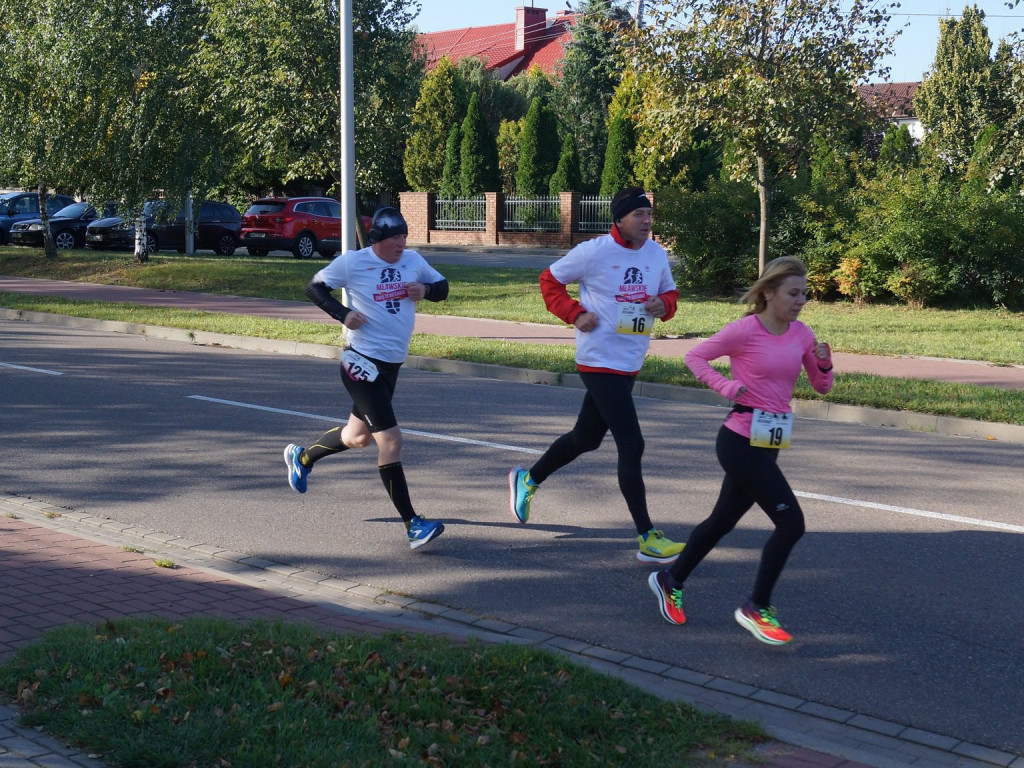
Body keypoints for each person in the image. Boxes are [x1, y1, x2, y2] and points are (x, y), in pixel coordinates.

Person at [648, 256, 833, 644]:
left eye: (804, 294)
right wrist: (726, 387)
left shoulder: (801, 334)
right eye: (793, 293)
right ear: (768, 292)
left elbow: (821, 388)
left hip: (770, 440)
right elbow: (694, 357)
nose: (801, 301)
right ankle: (757, 607)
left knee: (721, 521)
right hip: (739, 439)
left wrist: (824, 365)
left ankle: (670, 578)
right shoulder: (745, 330)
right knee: (791, 524)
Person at [507, 186, 685, 564]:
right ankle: (647, 536)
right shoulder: (594, 252)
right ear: (619, 218)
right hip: (598, 360)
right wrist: (574, 313)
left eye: (649, 214)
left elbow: (670, 294)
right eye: (640, 215)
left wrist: (662, 304)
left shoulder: (656, 254)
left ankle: (529, 479)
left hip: (630, 360)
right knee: (631, 444)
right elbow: (549, 280)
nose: (647, 220)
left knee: (586, 438)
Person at [283, 207, 450, 551]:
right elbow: (314, 288)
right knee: (390, 441)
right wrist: (343, 314)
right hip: (361, 363)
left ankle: (302, 458)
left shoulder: (413, 260)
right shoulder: (353, 262)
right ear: (378, 240)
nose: (401, 244)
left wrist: (426, 291)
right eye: (395, 239)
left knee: (357, 437)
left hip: (392, 365)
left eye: (404, 236)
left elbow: (443, 287)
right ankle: (413, 525)